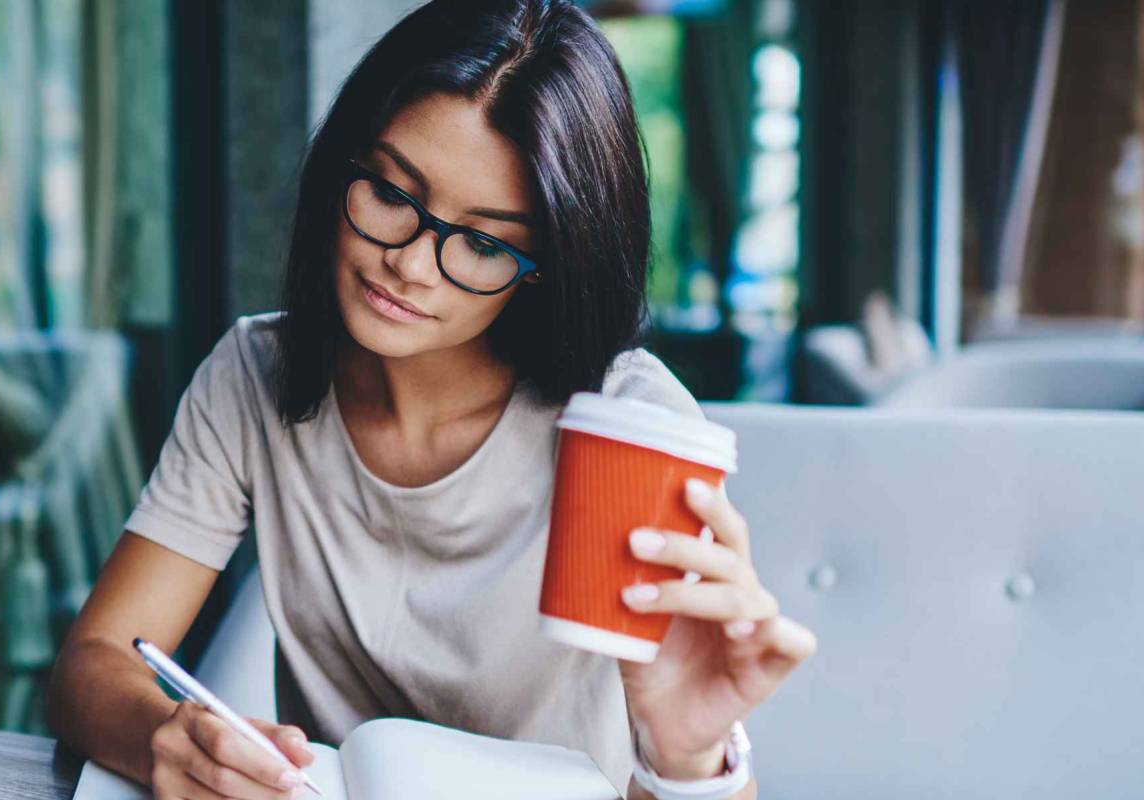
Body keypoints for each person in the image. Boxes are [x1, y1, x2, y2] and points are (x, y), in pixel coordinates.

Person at [47, 2, 815, 797]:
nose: (411, 265)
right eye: (389, 192)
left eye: (483, 243)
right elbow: (93, 662)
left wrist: (688, 756)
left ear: (550, 261)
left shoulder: (628, 428)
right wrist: (167, 736)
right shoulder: (254, 374)